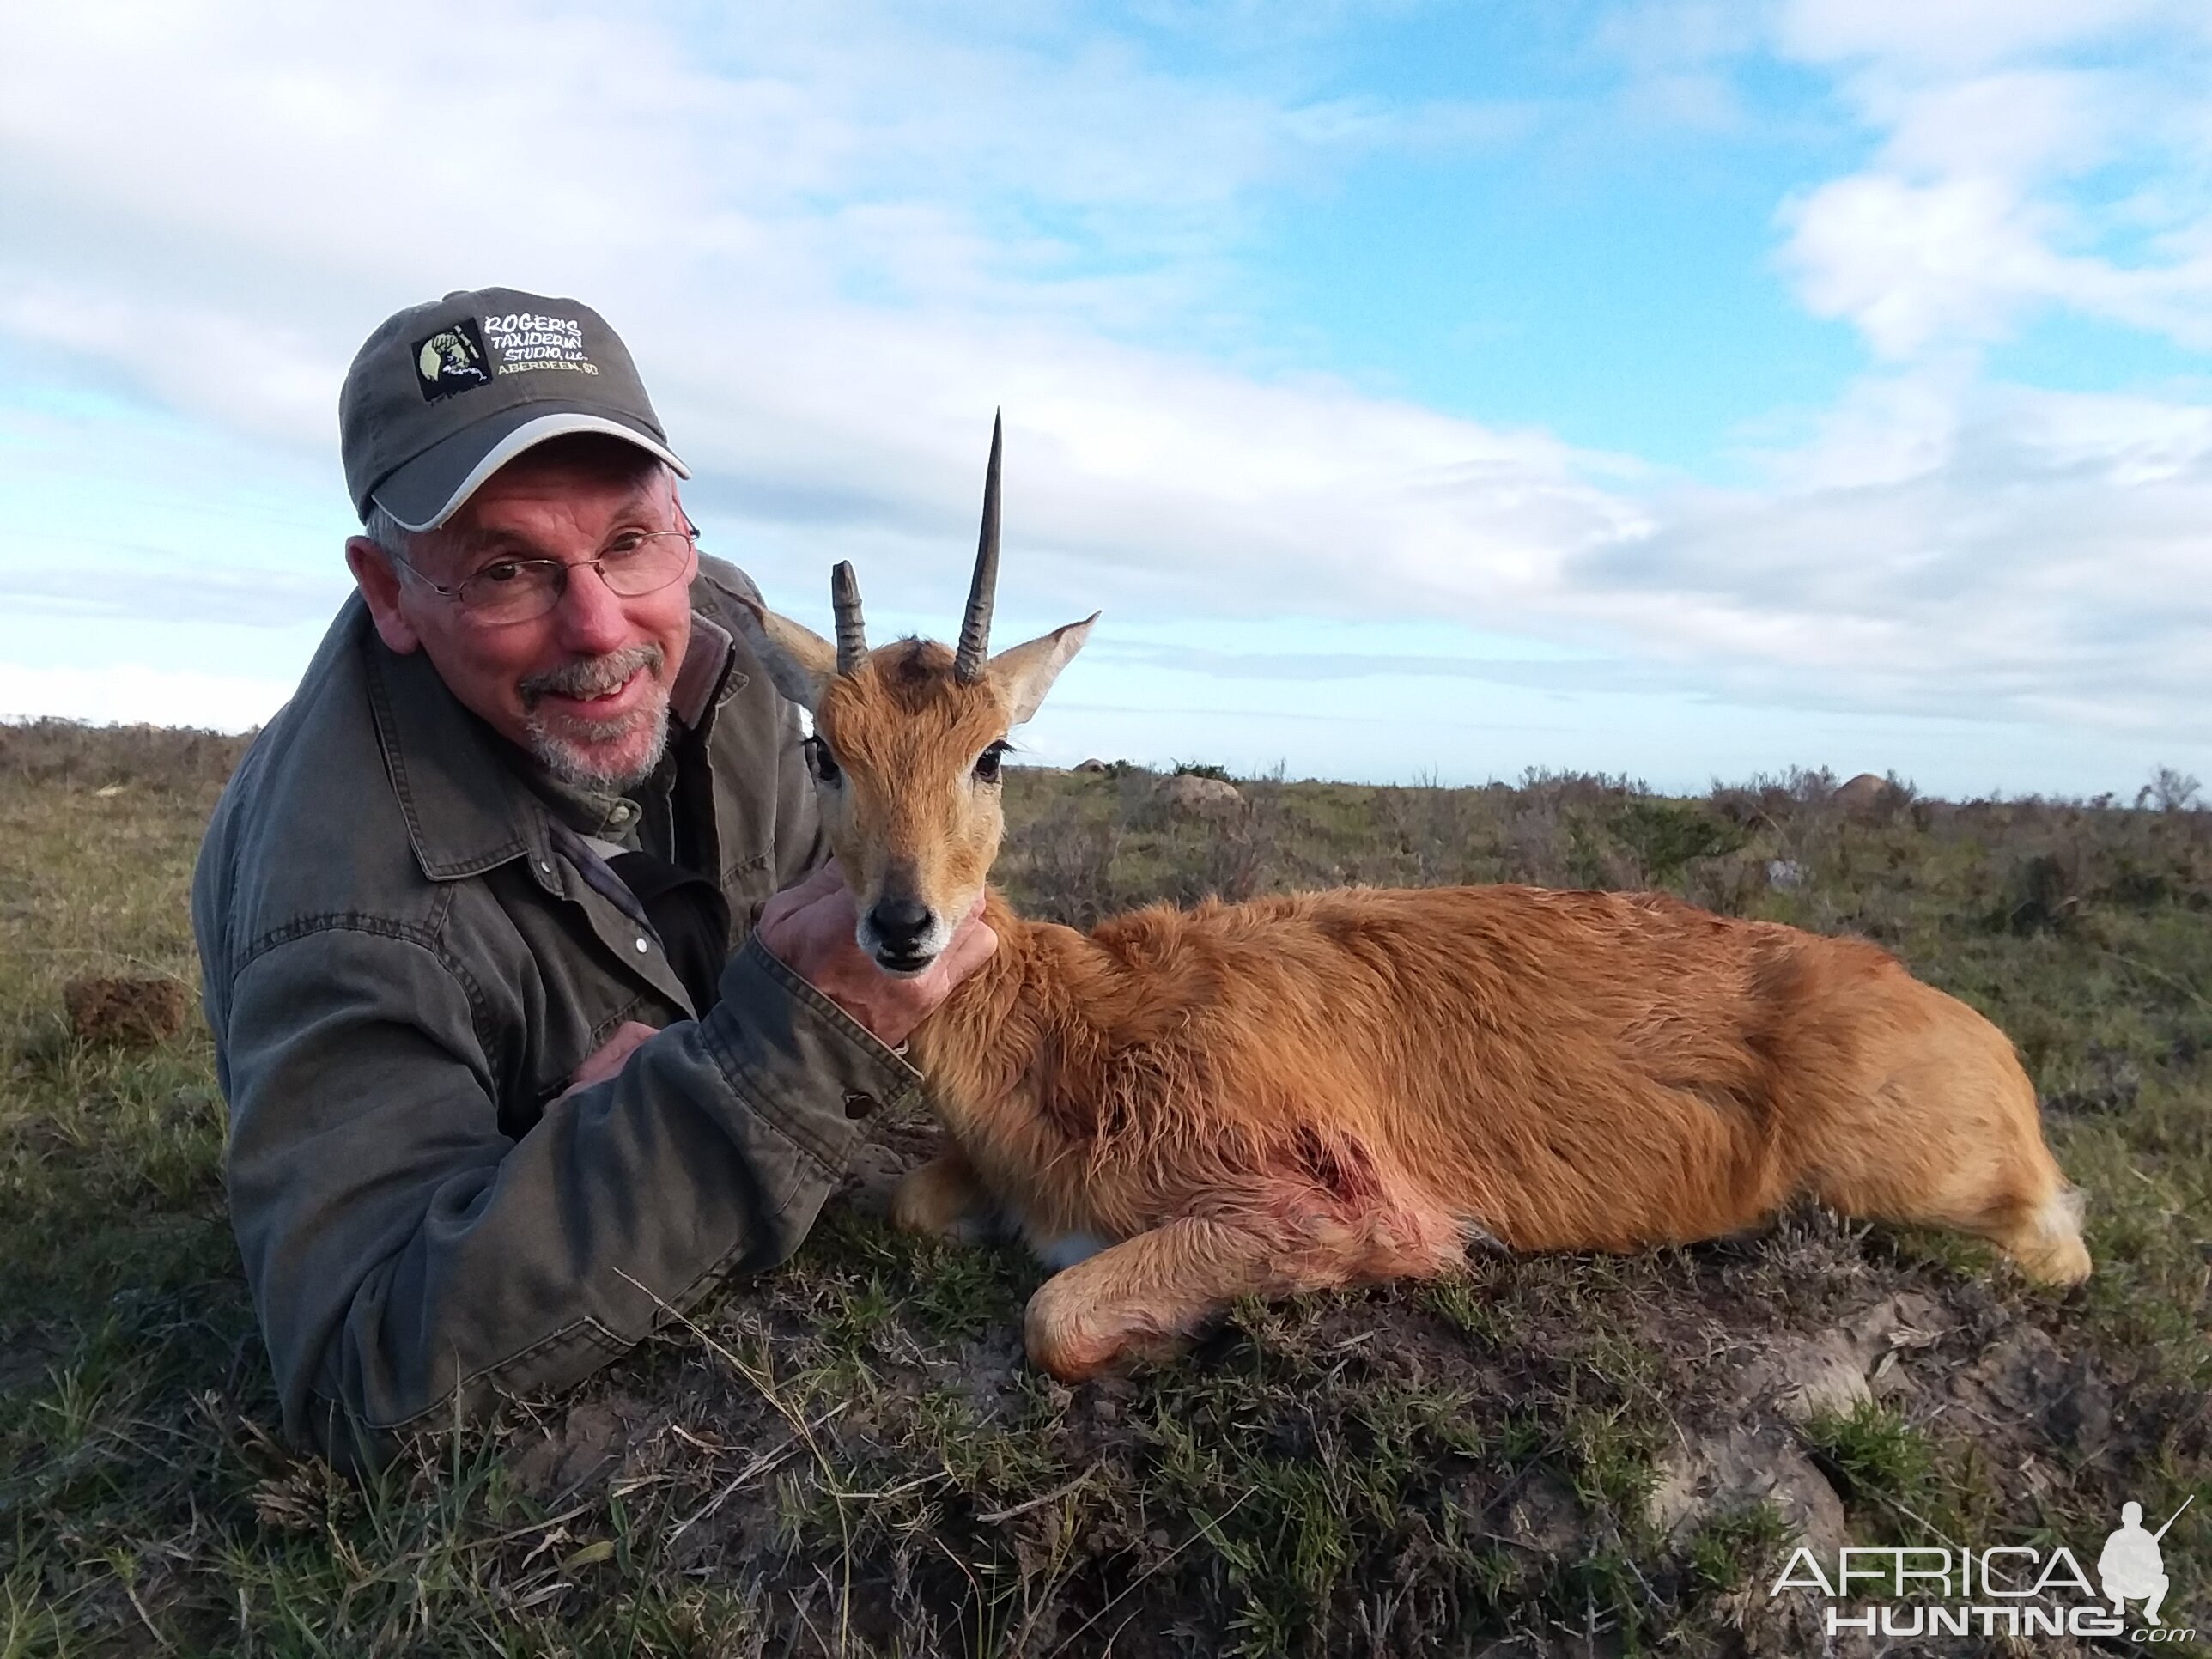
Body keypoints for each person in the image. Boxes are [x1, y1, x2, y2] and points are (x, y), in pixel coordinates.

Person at [191, 288, 995, 1465]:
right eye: (508, 568)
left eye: (629, 541)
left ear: (680, 521)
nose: (601, 626)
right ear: (389, 590)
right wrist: (762, 1057)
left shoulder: (734, 637)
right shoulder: (341, 910)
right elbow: (362, 1371)